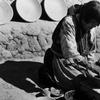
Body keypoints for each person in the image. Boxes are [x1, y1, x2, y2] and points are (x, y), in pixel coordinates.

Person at [39, 0, 100, 99]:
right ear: (85, 18)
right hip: (62, 59)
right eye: (92, 24)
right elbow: (70, 53)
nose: (94, 27)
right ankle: (48, 72)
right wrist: (90, 66)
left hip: (79, 62)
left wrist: (90, 67)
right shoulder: (69, 23)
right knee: (80, 84)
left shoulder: (91, 29)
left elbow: (91, 51)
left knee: (90, 79)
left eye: (96, 25)